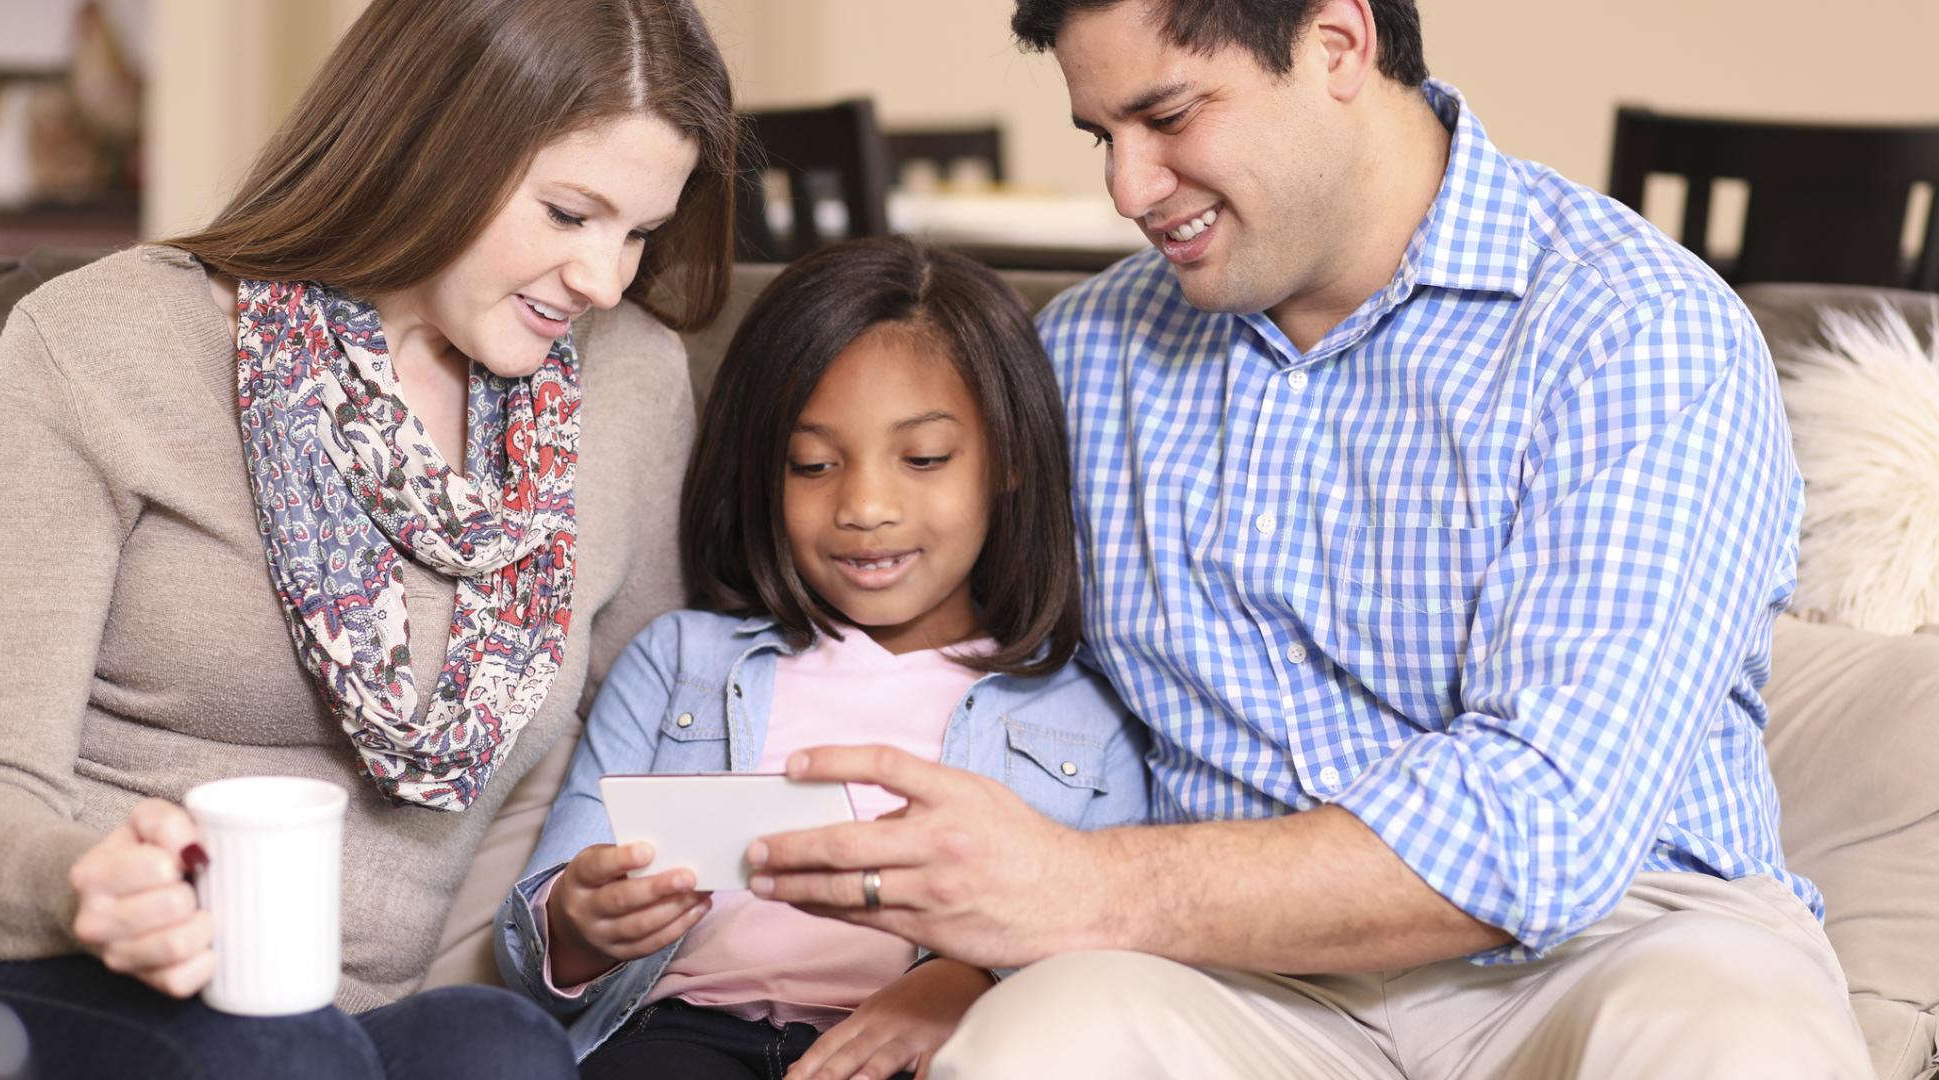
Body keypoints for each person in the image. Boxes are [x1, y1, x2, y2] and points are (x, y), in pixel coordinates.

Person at [739, 2, 1876, 1077]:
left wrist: (1070, 886)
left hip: (1612, 939)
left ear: (1336, 45)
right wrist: (962, 941)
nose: (1127, 188)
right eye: (1100, 134)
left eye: (1170, 118)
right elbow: (998, 670)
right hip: (1236, 973)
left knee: (1732, 1037)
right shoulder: (1083, 353)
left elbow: (1545, 826)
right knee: (1035, 1042)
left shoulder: (1631, 332)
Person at [0, 0, 738, 1076]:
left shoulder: (629, 381)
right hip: (87, 973)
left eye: (638, 232)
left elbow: (645, 747)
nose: (603, 279)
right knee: (278, 1054)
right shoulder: (111, 342)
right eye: (566, 214)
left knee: (498, 1049)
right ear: (429, 145)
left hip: (384, 1016)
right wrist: (81, 887)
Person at [494, 236, 1151, 1080]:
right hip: (681, 1034)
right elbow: (542, 935)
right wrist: (581, 925)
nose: (866, 506)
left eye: (923, 459)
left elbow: (1111, 943)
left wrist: (972, 978)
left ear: (1010, 460)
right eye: (813, 464)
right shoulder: (679, 662)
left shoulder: (1084, 712)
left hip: (917, 1052)